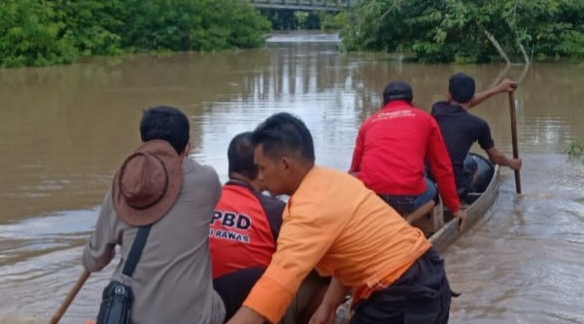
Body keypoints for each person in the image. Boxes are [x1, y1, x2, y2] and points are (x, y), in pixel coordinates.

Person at [225, 112, 454, 324]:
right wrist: (329, 304)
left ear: (285, 165)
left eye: (262, 168)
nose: (260, 178)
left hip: (402, 295)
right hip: (430, 274)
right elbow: (351, 254)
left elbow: (276, 286)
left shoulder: (307, 211)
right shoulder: (334, 180)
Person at [82, 105, 225, 324]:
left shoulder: (121, 189)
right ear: (187, 148)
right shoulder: (207, 181)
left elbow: (95, 262)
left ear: (143, 144)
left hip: (130, 316)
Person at [210, 132, 328, 324]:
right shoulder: (273, 210)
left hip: (209, 306)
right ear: (260, 169)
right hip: (256, 310)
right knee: (324, 273)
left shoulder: (204, 204)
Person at [349, 80, 465, 225]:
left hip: (373, 196)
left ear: (382, 103)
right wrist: (454, 207)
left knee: (356, 178)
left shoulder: (368, 123)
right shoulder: (426, 119)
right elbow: (442, 167)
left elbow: (354, 169)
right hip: (407, 197)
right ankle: (408, 220)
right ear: (413, 101)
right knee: (434, 193)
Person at [431, 73, 523, 198]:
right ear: (471, 97)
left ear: (449, 95)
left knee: (466, 160)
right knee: (473, 164)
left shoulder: (437, 109)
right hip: (454, 185)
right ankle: (462, 196)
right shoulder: (478, 124)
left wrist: (498, 89)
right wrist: (512, 163)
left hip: (429, 179)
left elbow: (464, 103)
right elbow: (495, 158)